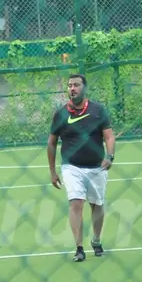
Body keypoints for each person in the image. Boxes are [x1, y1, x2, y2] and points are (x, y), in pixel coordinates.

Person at [47, 74, 116, 262]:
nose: (72, 88)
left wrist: (110, 156)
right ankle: (79, 247)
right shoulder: (61, 114)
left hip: (96, 167)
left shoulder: (98, 110)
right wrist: (53, 172)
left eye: (76, 85)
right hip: (71, 167)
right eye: (69, 85)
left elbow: (109, 136)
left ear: (84, 88)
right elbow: (52, 143)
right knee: (76, 203)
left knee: (97, 204)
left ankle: (96, 239)